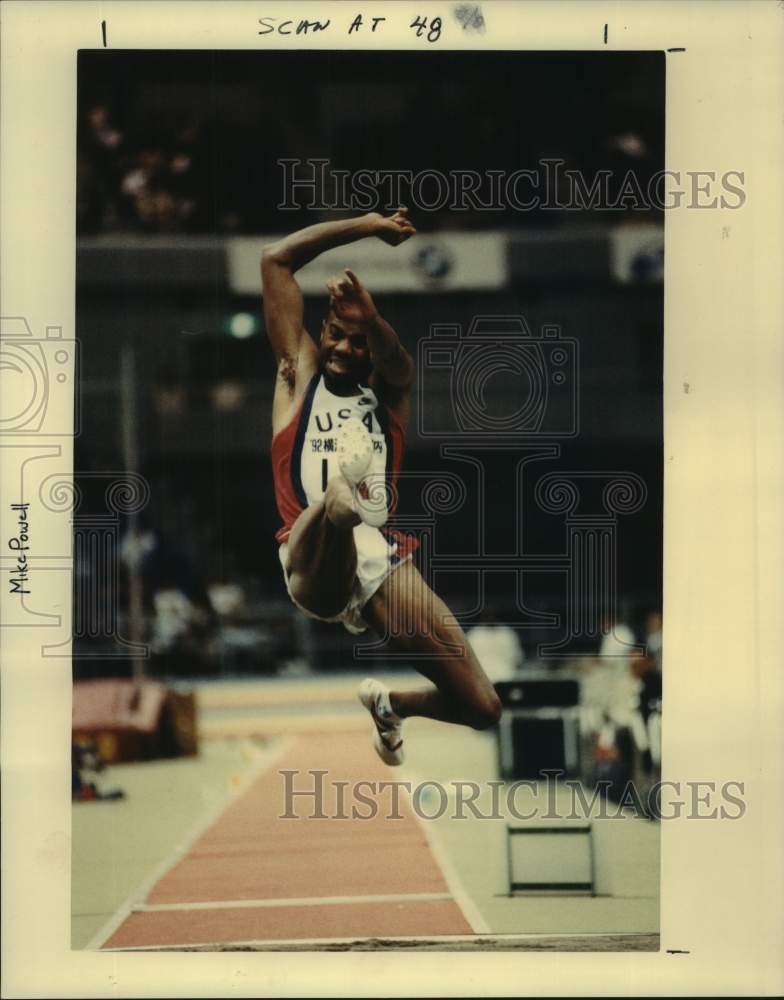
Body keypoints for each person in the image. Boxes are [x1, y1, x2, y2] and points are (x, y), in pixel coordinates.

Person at [261, 208, 502, 765]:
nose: (346, 348)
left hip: (382, 562)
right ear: (321, 333)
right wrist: (368, 225)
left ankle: (390, 705)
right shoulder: (296, 378)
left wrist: (372, 321)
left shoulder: (386, 399)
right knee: (340, 503)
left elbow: (398, 363)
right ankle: (340, 505)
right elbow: (276, 260)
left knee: (484, 708)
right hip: (311, 554)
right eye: (336, 334)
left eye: (358, 342)